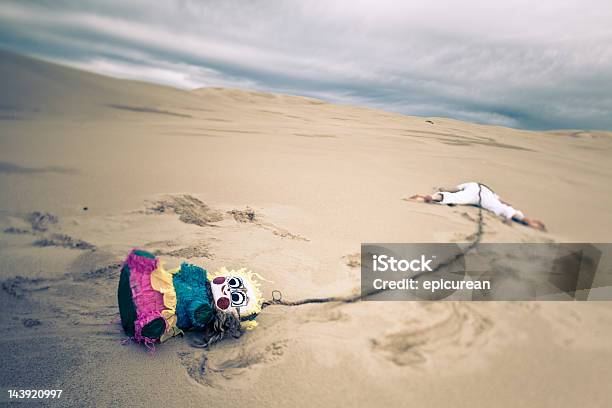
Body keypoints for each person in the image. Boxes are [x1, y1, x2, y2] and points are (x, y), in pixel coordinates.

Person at [410, 182, 546, 231]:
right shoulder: (490, 191)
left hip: (473, 193)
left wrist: (443, 189)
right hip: (485, 196)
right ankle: (524, 220)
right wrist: (508, 205)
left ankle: (431, 197)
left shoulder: (470, 184)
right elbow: (502, 202)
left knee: (454, 197)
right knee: (504, 209)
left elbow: (453, 189)